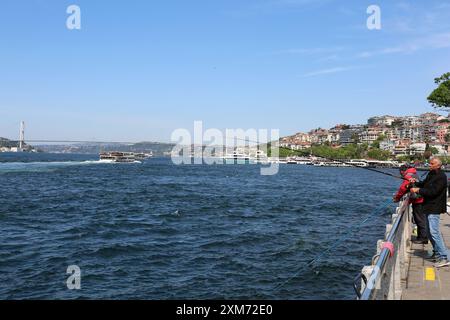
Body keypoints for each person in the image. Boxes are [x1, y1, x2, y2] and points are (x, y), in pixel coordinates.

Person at [410, 157, 450, 268]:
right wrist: (416, 183)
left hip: (435, 207)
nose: (429, 165)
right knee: (428, 232)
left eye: (432, 164)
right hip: (427, 206)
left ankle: (444, 257)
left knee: (434, 232)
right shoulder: (431, 174)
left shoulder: (441, 177)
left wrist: (418, 190)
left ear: (438, 165)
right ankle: (437, 253)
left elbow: (433, 192)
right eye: (430, 163)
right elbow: (424, 184)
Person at [393, 164, 427, 244]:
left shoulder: (408, 176)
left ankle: (423, 238)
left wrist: (397, 198)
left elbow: (403, 188)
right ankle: (421, 236)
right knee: (420, 219)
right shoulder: (413, 173)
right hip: (420, 199)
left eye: (400, 172)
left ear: (402, 171)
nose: (400, 174)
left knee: (420, 219)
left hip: (419, 201)